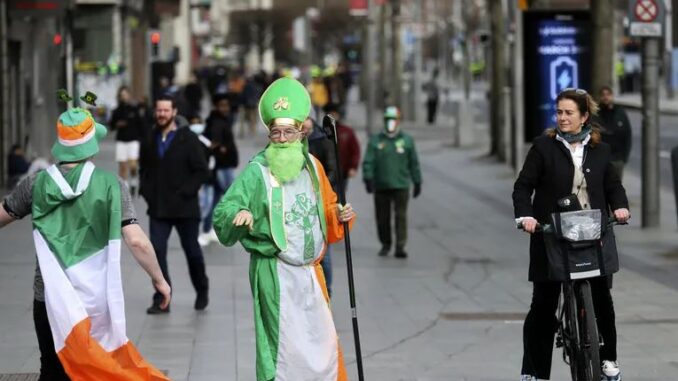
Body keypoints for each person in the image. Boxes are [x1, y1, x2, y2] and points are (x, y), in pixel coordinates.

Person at [0, 104, 171, 380]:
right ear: (90, 146)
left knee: (52, 369)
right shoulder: (111, 184)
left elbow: (3, 214)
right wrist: (159, 280)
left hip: (49, 298)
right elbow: (136, 240)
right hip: (94, 299)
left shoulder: (36, 184)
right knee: (95, 370)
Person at [212, 77, 355, 381]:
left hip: (312, 275)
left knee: (321, 343)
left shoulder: (313, 167)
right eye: (275, 132)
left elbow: (328, 208)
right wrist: (240, 214)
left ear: (301, 132)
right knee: (283, 349)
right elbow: (224, 211)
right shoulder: (257, 170)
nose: (281, 138)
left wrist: (340, 215)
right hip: (276, 272)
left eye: (288, 132)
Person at [513, 88, 630, 381]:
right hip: (551, 233)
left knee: (602, 296)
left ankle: (608, 361)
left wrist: (620, 208)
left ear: (584, 117)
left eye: (569, 113)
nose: (562, 118)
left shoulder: (600, 150)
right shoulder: (544, 147)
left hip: (592, 231)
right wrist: (526, 215)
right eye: (559, 112)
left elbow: (613, 186)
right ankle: (534, 372)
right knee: (543, 303)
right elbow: (523, 186)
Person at [139, 94, 210, 314]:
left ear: (174, 112)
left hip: (185, 208)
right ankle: (162, 297)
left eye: (166, 110)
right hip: (159, 207)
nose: (161, 114)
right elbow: (145, 168)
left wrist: (186, 191)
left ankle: (202, 289)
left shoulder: (187, 138)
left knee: (192, 252)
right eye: (159, 110)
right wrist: (146, 190)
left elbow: (202, 170)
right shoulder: (150, 136)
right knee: (157, 252)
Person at [363, 106, 422, 258]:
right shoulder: (376, 141)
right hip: (381, 185)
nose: (391, 123)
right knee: (382, 217)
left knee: (400, 217)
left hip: (401, 185)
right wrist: (368, 178)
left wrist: (417, 181)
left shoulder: (406, 140)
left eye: (393, 120)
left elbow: (413, 162)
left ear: (398, 121)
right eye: (388, 120)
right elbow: (369, 161)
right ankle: (385, 243)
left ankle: (400, 246)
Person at [302, 116, 338, 296]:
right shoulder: (297, 145)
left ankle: (327, 288)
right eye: (303, 130)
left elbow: (332, 169)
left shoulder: (323, 142)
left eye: (307, 130)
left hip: (320, 199)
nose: (305, 133)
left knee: (325, 250)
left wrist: (318, 185)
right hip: (303, 202)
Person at [201, 93, 239, 245]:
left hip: (222, 166)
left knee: (216, 200)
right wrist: (220, 148)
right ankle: (227, 229)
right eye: (222, 105)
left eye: (227, 105)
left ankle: (207, 230)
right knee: (233, 199)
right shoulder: (218, 122)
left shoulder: (219, 120)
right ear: (217, 107)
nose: (226, 108)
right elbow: (213, 143)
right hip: (222, 167)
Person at [110, 86, 143, 195]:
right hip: (121, 140)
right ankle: (125, 188)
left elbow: (141, 124)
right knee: (123, 166)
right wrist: (117, 124)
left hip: (133, 140)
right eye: (121, 95)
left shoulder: (135, 109)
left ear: (129, 95)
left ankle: (133, 181)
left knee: (133, 165)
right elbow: (111, 125)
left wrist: (142, 139)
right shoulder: (116, 111)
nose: (123, 97)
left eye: (125, 94)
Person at [594, 86, 632, 180]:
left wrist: (624, 157)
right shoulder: (596, 115)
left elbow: (627, 135)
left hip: (617, 159)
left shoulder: (620, 113)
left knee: (616, 188)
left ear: (612, 96)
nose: (606, 97)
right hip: (601, 160)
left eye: (608, 94)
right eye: (603, 95)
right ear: (600, 97)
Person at [324, 103, 361, 196]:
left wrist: (353, 167)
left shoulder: (347, 132)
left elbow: (355, 150)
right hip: (326, 172)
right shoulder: (323, 133)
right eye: (330, 114)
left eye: (335, 114)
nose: (333, 117)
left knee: (340, 196)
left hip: (343, 172)